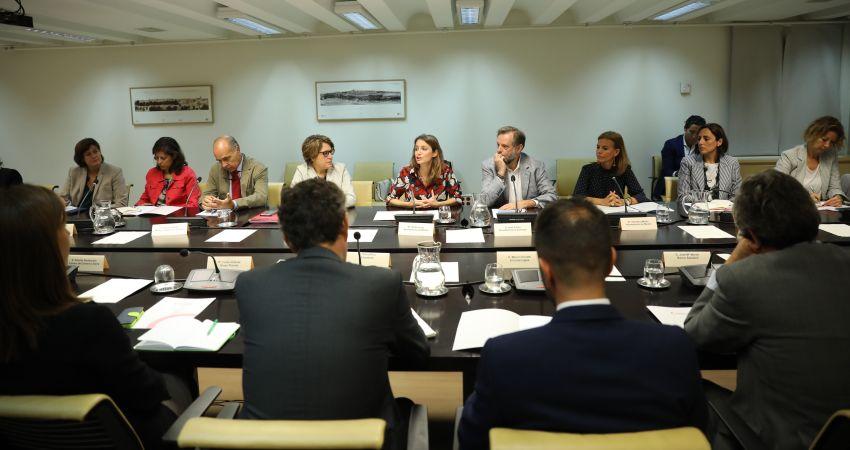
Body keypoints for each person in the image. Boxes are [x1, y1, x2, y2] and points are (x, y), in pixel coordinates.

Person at [458, 197, 707, 450]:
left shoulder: (504, 357)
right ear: (611, 262)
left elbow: (472, 440)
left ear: (545, 270)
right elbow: (697, 432)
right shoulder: (674, 349)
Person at [235, 178, 429, 450]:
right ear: (345, 226)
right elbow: (418, 353)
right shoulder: (380, 284)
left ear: (286, 238)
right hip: (364, 441)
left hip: (267, 442)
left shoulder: (250, 285)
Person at [0, 184, 189, 449]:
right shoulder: (87, 322)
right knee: (176, 373)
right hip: (131, 436)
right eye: (62, 227)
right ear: (48, 245)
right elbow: (147, 394)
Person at [684, 170, 850, 450]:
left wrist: (732, 261)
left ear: (752, 238)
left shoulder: (744, 279)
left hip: (779, 439)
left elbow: (693, 336)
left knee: (694, 390)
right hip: (841, 433)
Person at [775, 116, 846, 207]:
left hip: (822, 211)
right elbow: (776, 187)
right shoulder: (789, 156)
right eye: (824, 140)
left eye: (832, 142)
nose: (827, 145)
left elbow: (834, 187)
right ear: (812, 134)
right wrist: (804, 198)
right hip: (793, 210)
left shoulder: (830, 156)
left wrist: (837, 197)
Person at [480, 126, 557, 209]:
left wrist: (526, 203)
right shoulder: (489, 166)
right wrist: (500, 175)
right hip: (499, 219)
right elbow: (484, 201)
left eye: (505, 146)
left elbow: (552, 196)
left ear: (518, 148)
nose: (499, 150)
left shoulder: (535, 166)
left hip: (528, 218)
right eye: (498, 145)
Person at [386, 134, 462, 208]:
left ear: (434, 153)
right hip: (413, 218)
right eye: (416, 149)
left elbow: (458, 198)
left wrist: (438, 204)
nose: (418, 153)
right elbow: (390, 199)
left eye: (424, 149)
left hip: (438, 217)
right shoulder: (406, 172)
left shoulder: (446, 171)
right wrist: (409, 204)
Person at [573, 131, 648, 206]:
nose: (599, 151)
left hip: (616, 212)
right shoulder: (587, 170)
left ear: (616, 152)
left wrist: (624, 201)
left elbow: (641, 195)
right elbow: (577, 197)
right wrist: (602, 201)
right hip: (594, 213)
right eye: (598, 147)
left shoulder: (624, 169)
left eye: (605, 148)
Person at [677, 123, 741, 203]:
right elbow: (683, 197)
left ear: (719, 142)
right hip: (698, 213)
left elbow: (737, 196)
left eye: (706, 139)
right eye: (699, 139)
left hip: (724, 212)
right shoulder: (688, 162)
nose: (700, 142)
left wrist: (721, 206)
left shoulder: (732, 163)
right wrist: (707, 201)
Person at [201, 135, 268, 210]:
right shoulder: (215, 169)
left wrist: (234, 204)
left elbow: (261, 197)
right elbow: (205, 196)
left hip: (250, 215)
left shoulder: (258, 168)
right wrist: (206, 201)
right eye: (219, 161)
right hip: (225, 219)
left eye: (226, 158)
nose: (223, 165)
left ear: (238, 149)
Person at [58, 138, 128, 208]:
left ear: (100, 152)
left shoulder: (114, 172)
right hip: (77, 216)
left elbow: (122, 203)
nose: (94, 156)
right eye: (88, 154)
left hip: (103, 216)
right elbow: (62, 198)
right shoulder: (74, 172)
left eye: (95, 151)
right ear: (82, 159)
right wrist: (66, 206)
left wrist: (101, 210)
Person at [290, 134, 355, 208]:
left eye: (331, 152)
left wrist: (326, 205)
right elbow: (293, 199)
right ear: (312, 156)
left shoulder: (341, 169)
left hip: (335, 215)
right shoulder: (302, 171)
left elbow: (351, 198)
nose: (331, 157)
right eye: (326, 153)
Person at [136, 137, 200, 208]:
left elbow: (193, 205)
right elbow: (144, 199)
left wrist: (172, 209)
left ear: (174, 156)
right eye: (156, 158)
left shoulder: (188, 173)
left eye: (163, 158)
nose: (159, 162)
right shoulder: (152, 173)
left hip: (176, 217)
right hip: (152, 216)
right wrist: (136, 207)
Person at [653, 115, 706, 200]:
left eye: (698, 134)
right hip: (671, 187)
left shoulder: (702, 147)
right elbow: (666, 170)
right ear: (685, 129)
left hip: (694, 189)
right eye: (691, 132)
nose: (694, 136)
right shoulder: (671, 144)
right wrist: (680, 173)